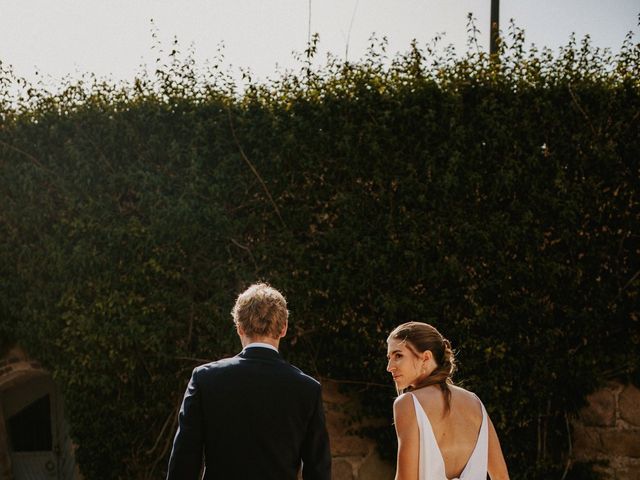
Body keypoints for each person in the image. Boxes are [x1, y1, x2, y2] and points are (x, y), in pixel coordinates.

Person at [166, 283, 332, 480]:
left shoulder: (205, 379)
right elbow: (318, 471)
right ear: (284, 328)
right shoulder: (307, 389)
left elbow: (184, 460)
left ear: (239, 327)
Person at [386, 322, 509, 480]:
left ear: (426, 357)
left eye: (398, 356)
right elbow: (502, 476)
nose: (389, 366)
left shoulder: (408, 403)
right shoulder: (475, 403)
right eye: (389, 358)